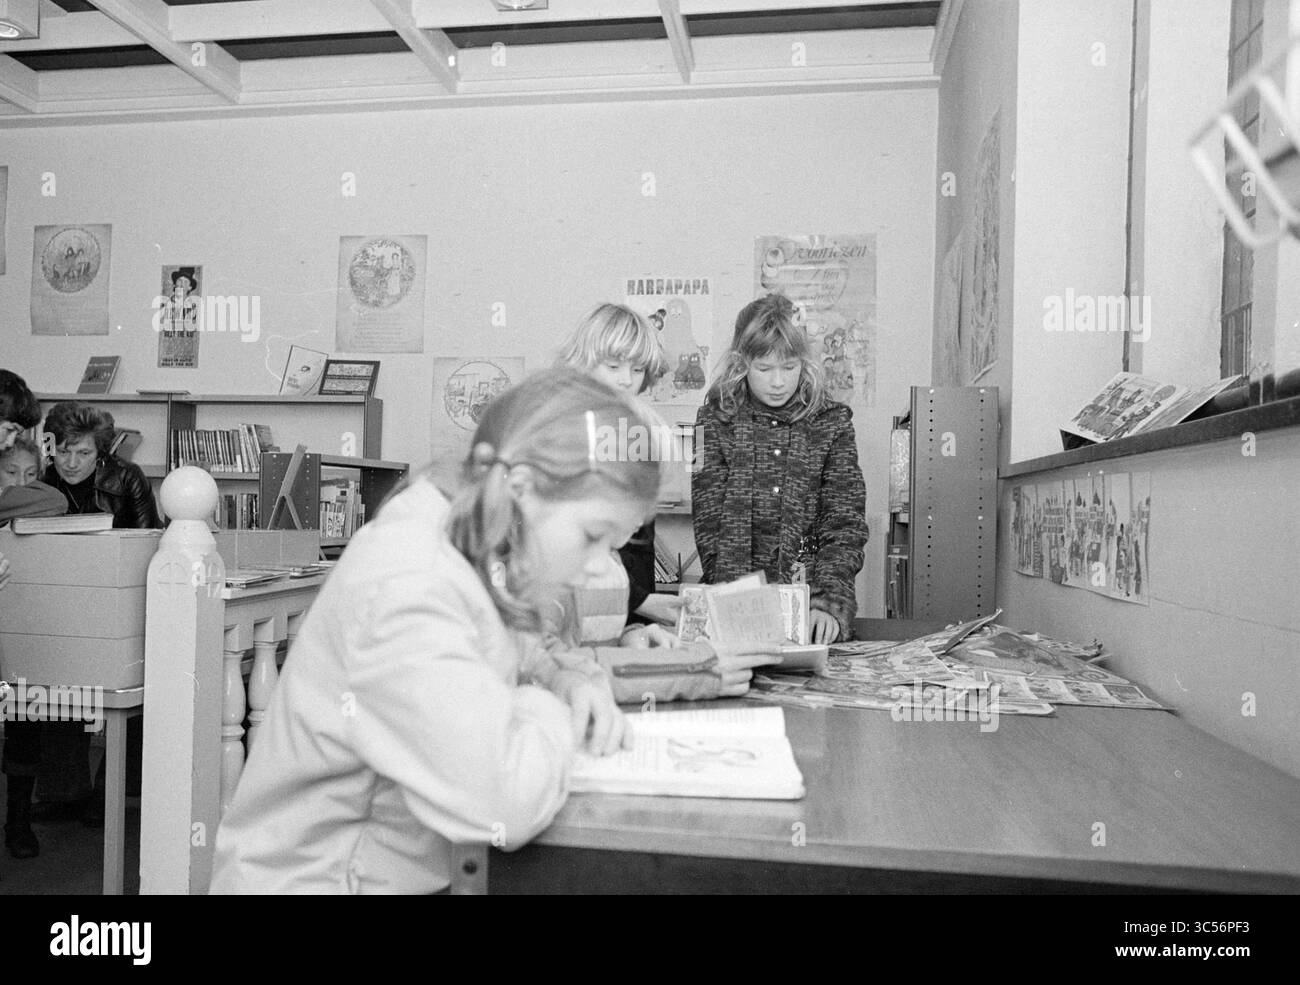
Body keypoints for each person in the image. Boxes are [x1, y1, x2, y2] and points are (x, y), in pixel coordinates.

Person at [211, 368, 664, 893]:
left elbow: (517, 651)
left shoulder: (471, 536)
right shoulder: (413, 582)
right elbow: (506, 800)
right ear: (521, 490)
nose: (597, 567)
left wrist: (570, 680)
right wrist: (550, 708)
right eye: (594, 537)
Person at [5, 402, 161, 838]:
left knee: (137, 695)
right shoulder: (38, 475)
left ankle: (101, 797)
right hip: (51, 603)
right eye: (64, 452)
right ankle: (30, 811)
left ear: (102, 453)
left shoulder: (126, 478)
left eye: (84, 454)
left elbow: (151, 543)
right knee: (34, 696)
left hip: (119, 605)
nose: (71, 463)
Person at [692, 294, 869, 644]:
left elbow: (845, 522)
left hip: (811, 609)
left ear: (804, 362)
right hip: (733, 608)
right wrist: (737, 605)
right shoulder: (707, 421)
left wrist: (829, 603)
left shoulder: (834, 423)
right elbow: (706, 523)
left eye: (789, 368)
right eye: (764, 368)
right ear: (741, 363)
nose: (778, 382)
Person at [556, 303, 679, 627]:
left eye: (638, 370)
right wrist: (641, 602)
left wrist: (641, 620)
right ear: (584, 363)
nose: (627, 380)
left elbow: (639, 544)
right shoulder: (563, 429)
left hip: (620, 616)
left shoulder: (640, 429)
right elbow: (565, 545)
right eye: (613, 366)